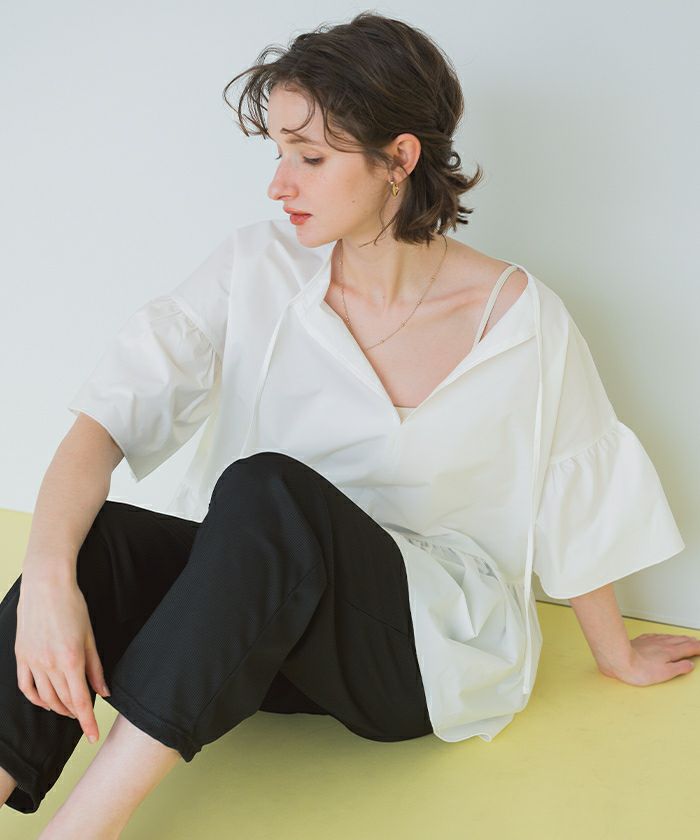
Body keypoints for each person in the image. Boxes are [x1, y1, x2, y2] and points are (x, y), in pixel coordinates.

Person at [1, 10, 695, 835]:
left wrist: (616, 653)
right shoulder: (255, 266)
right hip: (256, 633)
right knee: (100, 544)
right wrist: (49, 582)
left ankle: (83, 827)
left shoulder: (517, 317)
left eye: (311, 158)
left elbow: (571, 484)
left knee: (265, 489)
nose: (279, 185)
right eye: (277, 153)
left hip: (417, 656)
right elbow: (106, 419)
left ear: (399, 158)